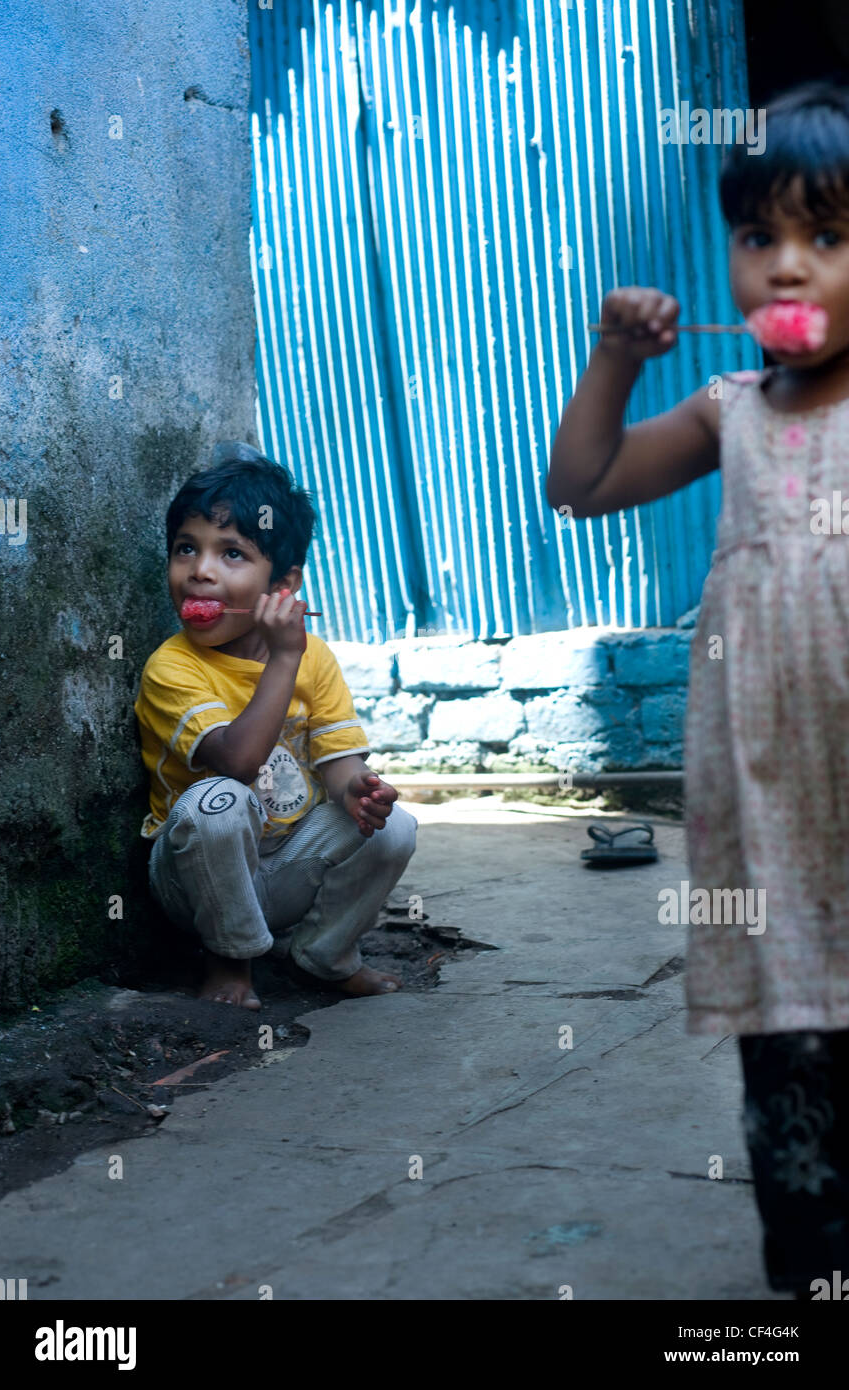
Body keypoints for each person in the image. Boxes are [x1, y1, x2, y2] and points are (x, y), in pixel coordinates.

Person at [546, 80, 849, 1299]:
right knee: (794, 1052)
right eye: (758, 235)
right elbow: (583, 482)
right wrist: (617, 355)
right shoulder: (730, 412)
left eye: (827, 237)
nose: (787, 267)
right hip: (770, 818)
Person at [134, 452, 417, 1008]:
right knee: (220, 800)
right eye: (186, 548)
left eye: (232, 554)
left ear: (283, 585)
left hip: (288, 868)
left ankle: (323, 958)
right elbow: (236, 762)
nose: (201, 571)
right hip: (193, 882)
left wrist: (357, 789)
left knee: (394, 827)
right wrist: (284, 660)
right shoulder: (173, 667)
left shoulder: (316, 659)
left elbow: (337, 760)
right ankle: (229, 961)